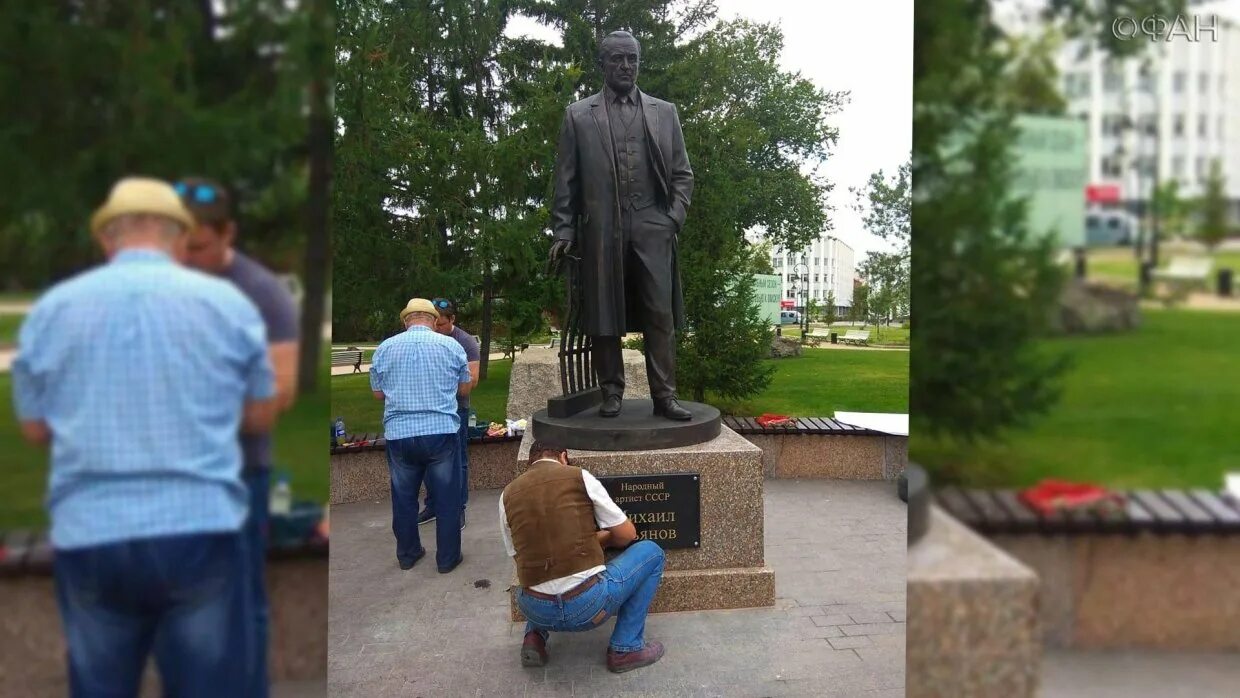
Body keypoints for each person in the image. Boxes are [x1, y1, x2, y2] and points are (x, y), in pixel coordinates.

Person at [10, 177, 277, 696]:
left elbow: (34, 427)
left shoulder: (51, 310)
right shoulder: (227, 305)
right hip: (200, 526)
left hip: (90, 530)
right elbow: (261, 415)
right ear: (179, 238)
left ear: (107, 239)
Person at [176, 175, 299, 697]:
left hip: (237, 475)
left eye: (197, 245)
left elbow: (273, 403)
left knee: (240, 606)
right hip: (166, 482)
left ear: (228, 233)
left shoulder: (260, 293)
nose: (183, 256)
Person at [546, 30, 694, 421]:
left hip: (652, 225)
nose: (626, 66)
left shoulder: (665, 112)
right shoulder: (578, 115)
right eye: (617, 59)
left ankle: (665, 395)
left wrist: (672, 219)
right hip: (602, 228)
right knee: (603, 312)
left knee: (658, 313)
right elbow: (567, 181)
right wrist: (564, 230)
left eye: (632, 59)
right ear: (603, 64)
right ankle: (611, 391)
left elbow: (682, 174)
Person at [501, 441, 667, 673]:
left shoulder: (506, 495)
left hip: (535, 610)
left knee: (538, 565)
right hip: (587, 608)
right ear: (563, 456)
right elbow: (627, 534)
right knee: (652, 552)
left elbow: (519, 553)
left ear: (531, 462)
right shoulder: (580, 477)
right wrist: (606, 537)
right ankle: (625, 648)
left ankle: (534, 638)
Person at [370, 298, 472, 573]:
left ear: (406, 321)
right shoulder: (451, 346)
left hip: (399, 433)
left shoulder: (384, 348)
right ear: (432, 319)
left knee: (403, 497)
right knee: (447, 498)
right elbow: (464, 389)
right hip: (441, 431)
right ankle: (447, 559)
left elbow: (378, 393)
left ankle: (408, 554)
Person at [417, 298, 479, 530]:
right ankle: (433, 505)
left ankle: (458, 508)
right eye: (434, 323)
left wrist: (438, 388)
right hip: (427, 410)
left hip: (456, 409)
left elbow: (472, 380)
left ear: (452, 320)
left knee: (458, 461)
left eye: (441, 324)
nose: (437, 328)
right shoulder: (425, 340)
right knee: (425, 460)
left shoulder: (465, 342)